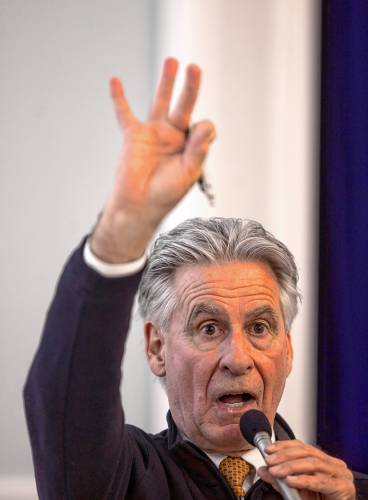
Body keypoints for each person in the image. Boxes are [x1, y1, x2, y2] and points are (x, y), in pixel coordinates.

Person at [24, 58, 364, 499]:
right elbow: (67, 403)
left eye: (260, 328)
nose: (237, 358)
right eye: (208, 328)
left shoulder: (346, 492)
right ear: (157, 348)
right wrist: (123, 228)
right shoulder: (120, 479)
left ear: (289, 348)